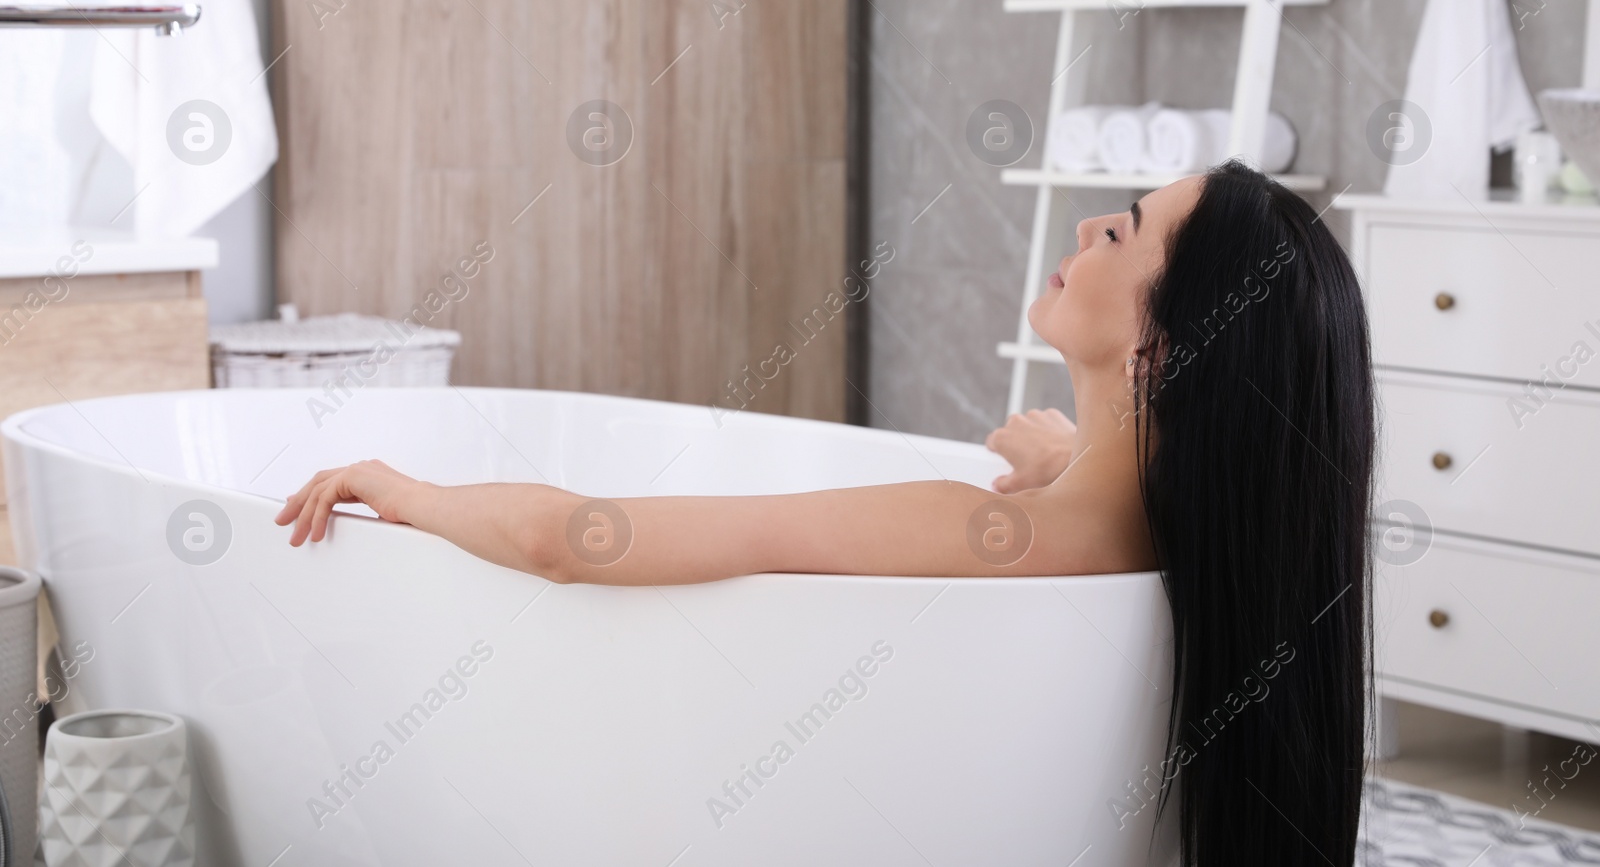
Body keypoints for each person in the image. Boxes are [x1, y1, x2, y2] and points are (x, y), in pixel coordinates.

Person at [278, 160, 1373, 866]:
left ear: (1159, 348)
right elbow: (1104, 484)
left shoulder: (986, 533)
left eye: (1123, 232)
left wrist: (406, 490)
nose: (1089, 221)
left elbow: (571, 542)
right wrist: (1065, 453)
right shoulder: (1200, 538)